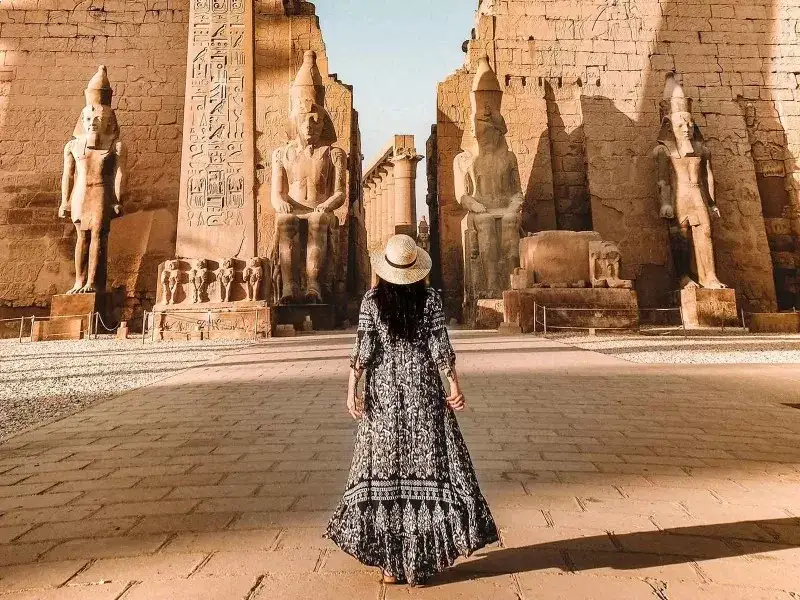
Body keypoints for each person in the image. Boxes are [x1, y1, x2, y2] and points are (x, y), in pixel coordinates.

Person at [326, 234, 498, 586]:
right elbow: (439, 344)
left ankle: (391, 565)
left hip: (385, 394)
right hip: (423, 390)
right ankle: (421, 562)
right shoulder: (430, 299)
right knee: (428, 468)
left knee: (386, 472)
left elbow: (364, 349)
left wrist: (350, 390)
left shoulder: (372, 301)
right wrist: (454, 385)